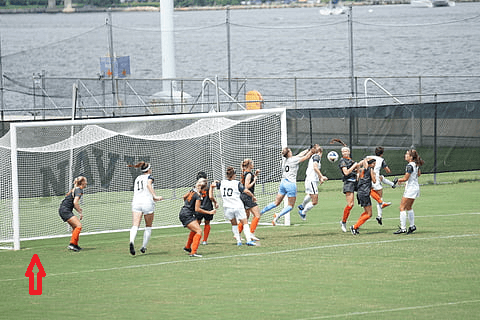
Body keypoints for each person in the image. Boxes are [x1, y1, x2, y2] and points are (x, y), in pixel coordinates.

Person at [261, 146, 312, 225]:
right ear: (289, 153)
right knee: (290, 206)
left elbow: (299, 155)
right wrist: (312, 151)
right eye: (290, 150)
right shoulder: (293, 160)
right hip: (290, 184)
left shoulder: (284, 160)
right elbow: (306, 157)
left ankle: (260, 212)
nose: (291, 151)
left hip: (283, 183)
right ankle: (278, 216)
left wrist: (308, 150)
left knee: (276, 203)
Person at [128, 162, 163, 256]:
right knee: (148, 225)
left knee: (135, 225)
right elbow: (148, 185)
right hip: (147, 203)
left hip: (136, 202)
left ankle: (131, 241)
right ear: (149, 169)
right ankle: (143, 246)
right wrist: (155, 196)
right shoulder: (150, 177)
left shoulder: (137, 178)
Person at [216, 166, 257, 246]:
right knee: (245, 222)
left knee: (234, 224)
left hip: (227, 207)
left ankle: (238, 241)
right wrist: (253, 196)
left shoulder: (222, 182)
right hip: (237, 206)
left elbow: (214, 185)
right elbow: (246, 191)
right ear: (233, 175)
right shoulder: (236, 183)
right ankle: (248, 240)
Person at [179, 178, 216, 257]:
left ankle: (188, 247)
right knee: (199, 231)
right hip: (187, 214)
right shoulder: (198, 196)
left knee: (195, 229)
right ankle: (193, 252)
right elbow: (197, 209)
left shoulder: (192, 191)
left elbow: (184, 197)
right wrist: (209, 212)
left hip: (183, 212)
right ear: (204, 188)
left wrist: (188, 204)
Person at [394, 149, 424, 234]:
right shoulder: (415, 164)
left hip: (411, 189)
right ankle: (412, 226)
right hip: (415, 188)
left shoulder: (409, 166)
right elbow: (418, 174)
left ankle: (403, 228)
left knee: (402, 207)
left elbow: (405, 178)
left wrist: (397, 180)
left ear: (411, 157)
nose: (405, 155)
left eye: (407, 154)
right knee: (408, 207)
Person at [368, 147, 397, 225]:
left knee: (382, 177)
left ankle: (393, 184)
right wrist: (388, 170)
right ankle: (379, 216)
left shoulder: (369, 157)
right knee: (380, 199)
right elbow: (388, 170)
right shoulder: (381, 160)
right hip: (375, 179)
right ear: (382, 153)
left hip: (367, 179)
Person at [297, 144, 328, 220]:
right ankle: (303, 212)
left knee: (310, 195)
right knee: (315, 201)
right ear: (320, 152)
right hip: (311, 181)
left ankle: (302, 205)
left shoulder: (313, 157)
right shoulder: (316, 157)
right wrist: (322, 176)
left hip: (310, 179)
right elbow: (315, 168)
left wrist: (319, 178)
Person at [58, 176, 87, 252]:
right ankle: (72, 244)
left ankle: (75, 245)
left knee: (75, 227)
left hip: (63, 209)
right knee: (78, 226)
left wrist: (78, 210)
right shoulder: (79, 190)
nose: (86, 183)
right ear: (82, 183)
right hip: (65, 210)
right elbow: (75, 202)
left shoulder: (76, 189)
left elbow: (72, 202)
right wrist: (80, 212)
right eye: (85, 181)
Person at [337, 143, 360, 232]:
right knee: (350, 204)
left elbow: (357, 167)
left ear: (349, 152)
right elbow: (346, 172)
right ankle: (343, 222)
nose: (344, 152)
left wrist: (358, 172)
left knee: (368, 190)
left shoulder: (351, 160)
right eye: (343, 151)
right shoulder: (342, 161)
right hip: (348, 183)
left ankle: (380, 202)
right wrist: (354, 166)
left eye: (346, 151)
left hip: (355, 182)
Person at [350, 158, 377, 235]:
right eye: (374, 163)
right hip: (365, 193)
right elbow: (374, 181)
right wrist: (375, 176)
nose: (374, 165)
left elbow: (359, 176)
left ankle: (356, 226)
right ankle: (355, 226)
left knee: (366, 212)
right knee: (369, 214)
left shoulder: (361, 170)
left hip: (360, 192)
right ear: (371, 164)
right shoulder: (370, 169)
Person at [238, 159, 261, 241]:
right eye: (252, 163)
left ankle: (237, 234)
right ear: (249, 165)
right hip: (247, 196)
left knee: (245, 217)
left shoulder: (245, 173)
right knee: (257, 215)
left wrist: (255, 175)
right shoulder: (248, 174)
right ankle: (251, 233)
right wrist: (254, 181)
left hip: (243, 196)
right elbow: (247, 186)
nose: (253, 164)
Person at [195, 171, 218, 245]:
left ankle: (196, 239)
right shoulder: (208, 187)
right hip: (208, 207)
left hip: (199, 208)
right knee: (207, 223)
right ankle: (204, 240)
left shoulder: (196, 187)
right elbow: (211, 197)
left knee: (197, 224)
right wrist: (215, 202)